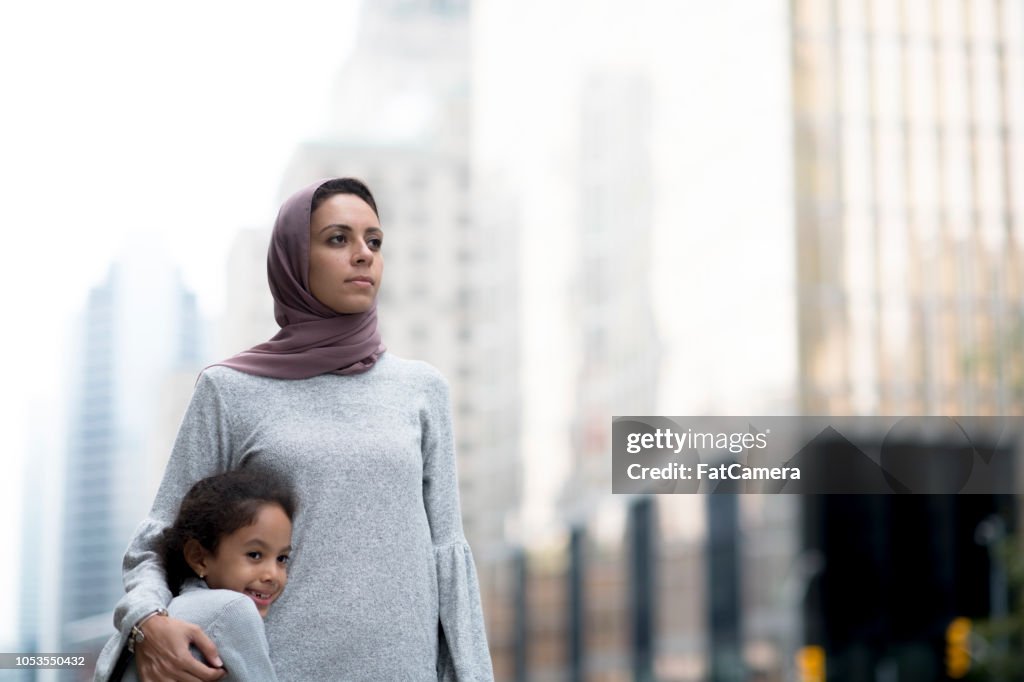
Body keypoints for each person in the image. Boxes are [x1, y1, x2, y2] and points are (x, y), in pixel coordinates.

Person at [105, 178, 494, 681]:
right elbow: (160, 537)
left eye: (374, 241)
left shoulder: (422, 389)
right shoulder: (230, 390)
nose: (363, 255)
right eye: (338, 239)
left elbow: (447, 554)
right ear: (293, 258)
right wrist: (146, 622)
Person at [95, 468, 296, 681]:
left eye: (282, 559)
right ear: (199, 558)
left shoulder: (174, 609)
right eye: (254, 554)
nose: (272, 574)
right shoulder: (232, 609)